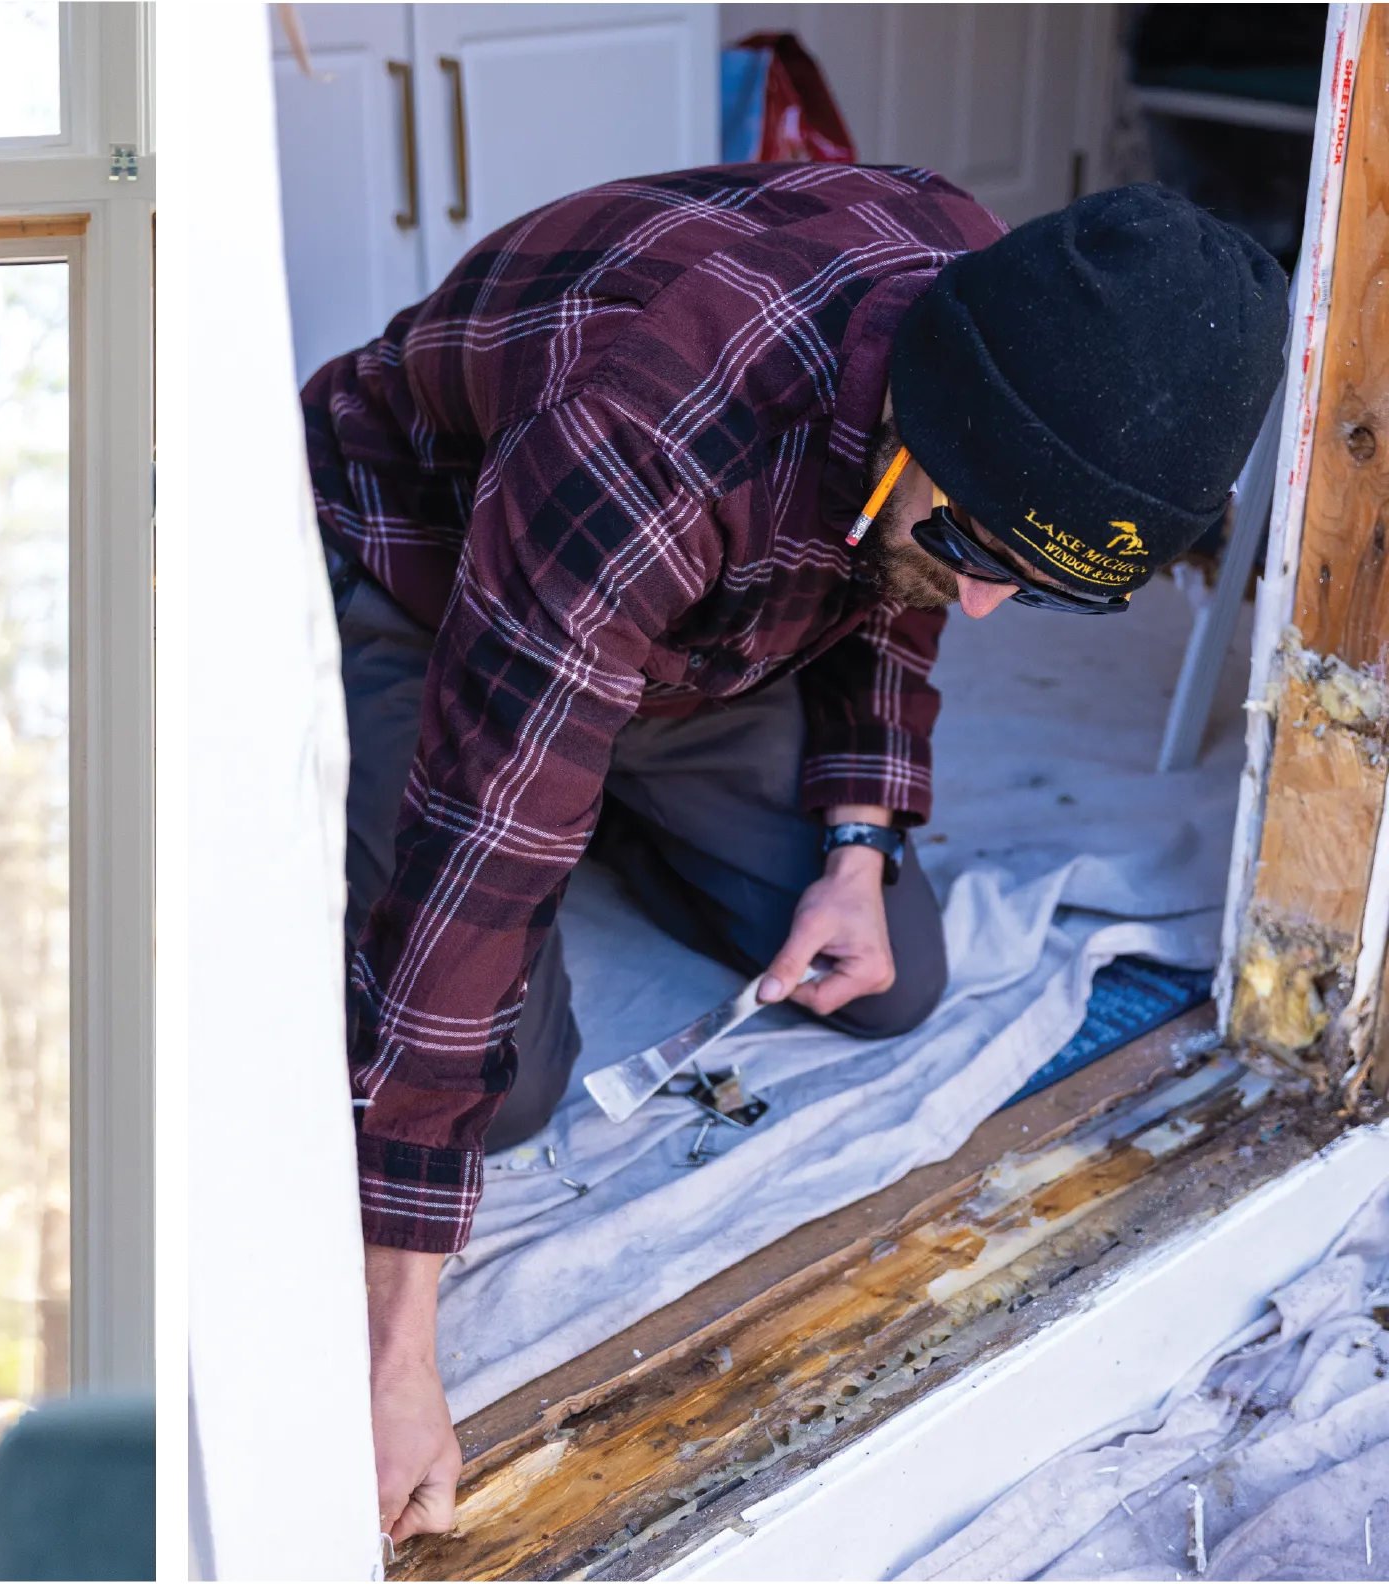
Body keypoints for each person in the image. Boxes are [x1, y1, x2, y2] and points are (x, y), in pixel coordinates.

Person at [308, 167, 1289, 1539]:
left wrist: (855, 842)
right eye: (974, 543)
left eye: (1044, 581)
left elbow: (903, 587)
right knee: (502, 1092)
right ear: (925, 413)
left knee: (896, 976)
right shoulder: (649, 430)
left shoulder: (990, 330)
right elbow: (487, 837)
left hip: (702, 631)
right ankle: (530, 775)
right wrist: (390, 1351)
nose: (993, 604)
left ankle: (615, 770)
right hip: (437, 570)